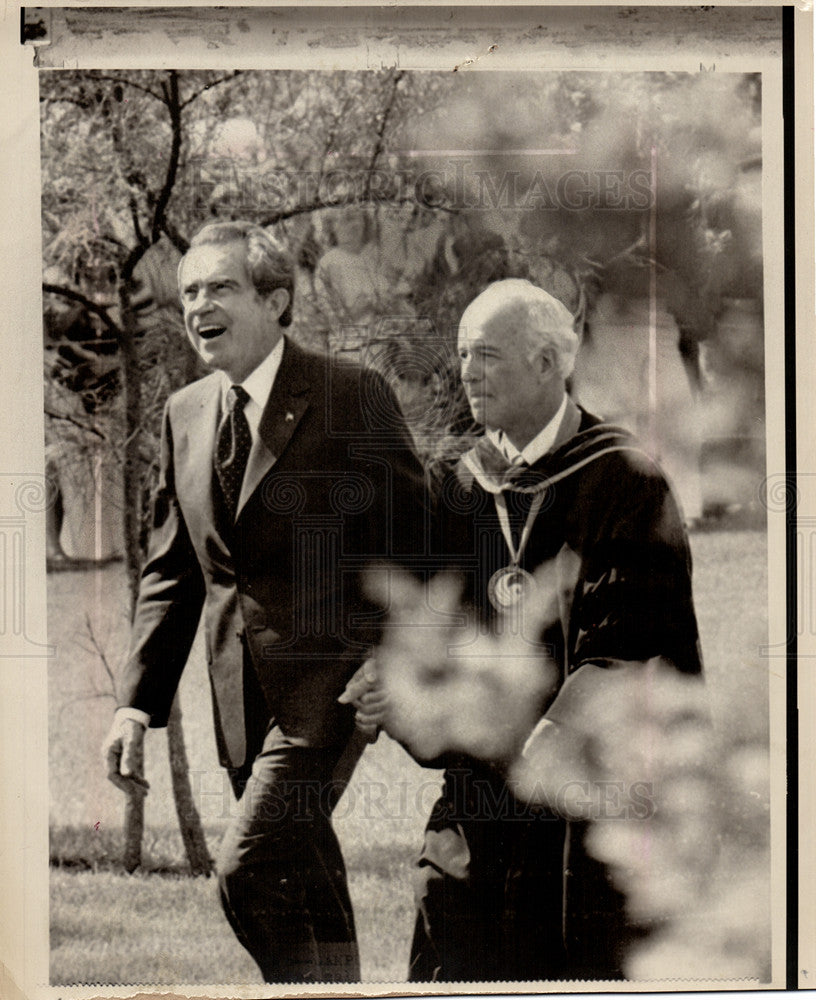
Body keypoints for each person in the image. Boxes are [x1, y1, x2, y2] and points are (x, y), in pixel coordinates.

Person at [344, 278, 702, 981]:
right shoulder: (455, 488)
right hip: (479, 812)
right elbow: (428, 635)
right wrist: (400, 700)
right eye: (463, 355)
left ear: (549, 363)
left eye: (488, 355)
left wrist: (536, 758)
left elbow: (623, 650)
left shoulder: (624, 480)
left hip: (596, 807)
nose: (470, 374)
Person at [101, 220, 425, 983]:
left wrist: (395, 658)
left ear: (277, 301)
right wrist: (133, 706)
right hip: (238, 703)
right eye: (189, 292)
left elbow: (423, 546)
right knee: (302, 880)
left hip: (331, 689)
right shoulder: (183, 414)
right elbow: (173, 573)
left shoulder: (351, 393)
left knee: (245, 868)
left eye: (221, 287)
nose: (198, 305)